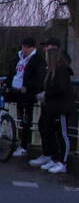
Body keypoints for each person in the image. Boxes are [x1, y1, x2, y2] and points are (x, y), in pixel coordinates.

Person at [30, 38, 74, 174]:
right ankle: (54, 158)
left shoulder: (60, 71)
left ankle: (63, 162)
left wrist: (46, 94)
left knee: (62, 134)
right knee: (52, 131)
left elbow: (60, 88)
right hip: (54, 107)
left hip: (61, 107)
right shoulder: (55, 71)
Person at [4, 36, 45, 156]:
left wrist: (27, 86)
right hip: (14, 89)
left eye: (26, 47)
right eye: (23, 47)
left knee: (26, 117)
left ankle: (24, 145)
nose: (24, 49)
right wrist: (6, 82)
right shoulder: (18, 58)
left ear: (32, 48)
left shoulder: (37, 60)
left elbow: (39, 77)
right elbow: (12, 73)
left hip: (27, 93)